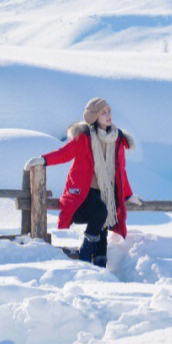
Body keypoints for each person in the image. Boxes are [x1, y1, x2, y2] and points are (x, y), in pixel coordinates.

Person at [24, 97, 142, 267]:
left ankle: (100, 262)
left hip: (106, 191)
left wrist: (128, 194)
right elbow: (64, 153)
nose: (108, 115)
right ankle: (85, 252)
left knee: (104, 218)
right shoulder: (84, 138)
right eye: (103, 113)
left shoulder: (117, 139)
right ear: (94, 117)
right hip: (83, 193)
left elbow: (120, 170)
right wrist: (43, 160)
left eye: (109, 111)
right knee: (101, 211)